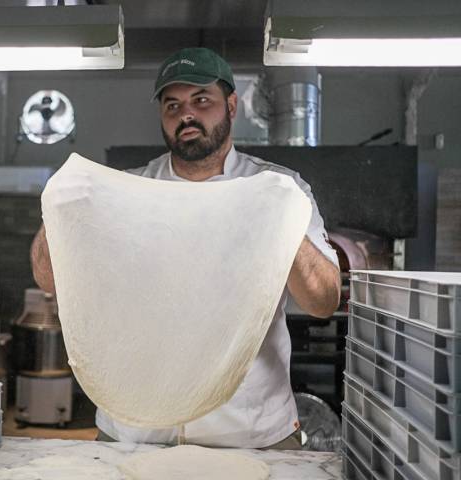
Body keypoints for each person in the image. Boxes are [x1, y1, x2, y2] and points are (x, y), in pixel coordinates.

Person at [30, 47, 341, 449]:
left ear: (231, 105)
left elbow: (323, 302)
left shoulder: (280, 188)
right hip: (136, 430)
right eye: (172, 104)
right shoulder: (127, 193)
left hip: (247, 430)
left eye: (201, 101)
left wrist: (282, 222)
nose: (186, 114)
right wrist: (55, 214)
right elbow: (49, 281)